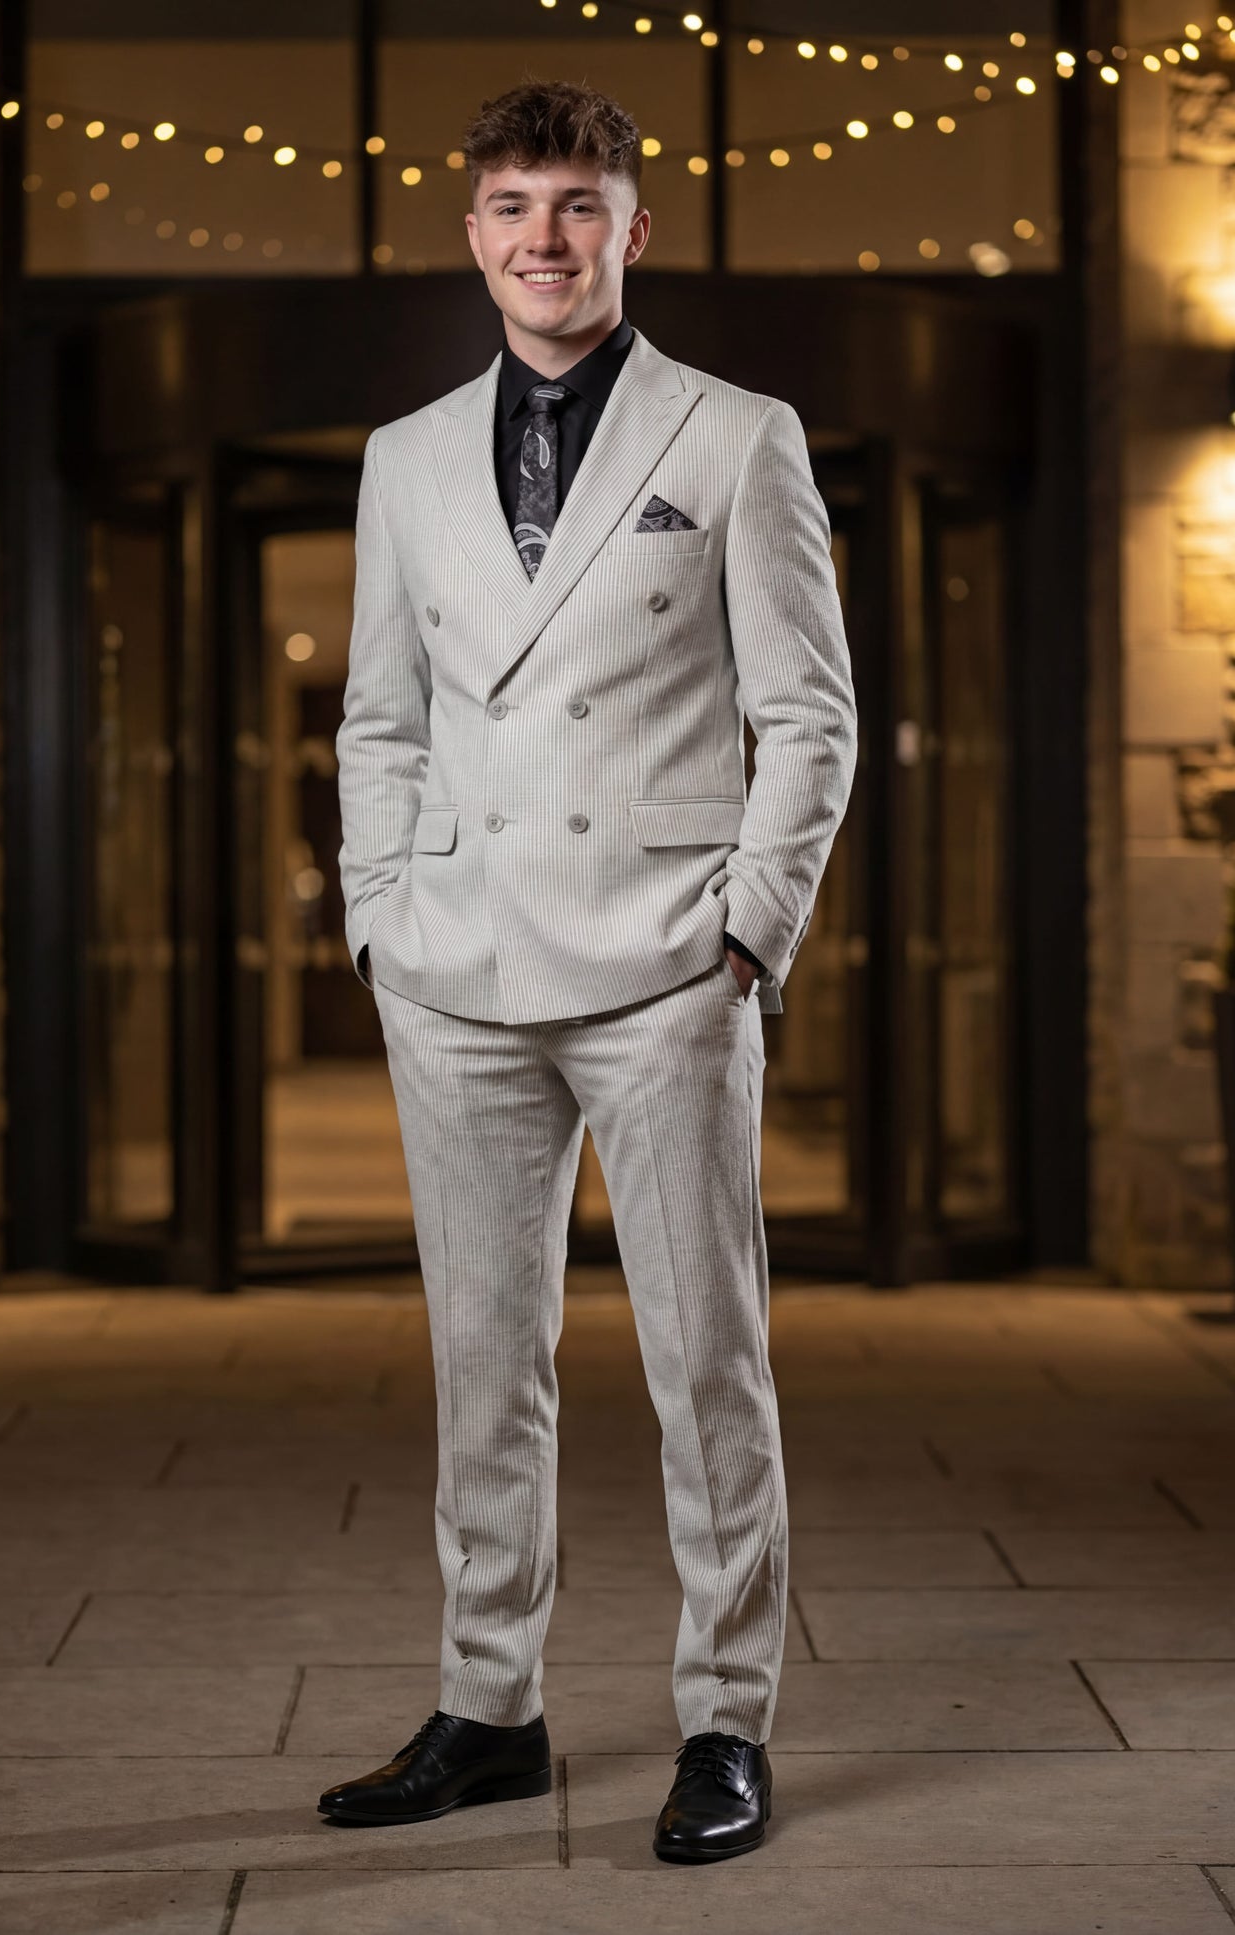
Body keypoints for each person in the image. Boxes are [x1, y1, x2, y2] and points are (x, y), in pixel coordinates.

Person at [321, 77, 856, 1864]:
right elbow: (377, 719)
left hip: (659, 972)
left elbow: (810, 717)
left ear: (632, 230)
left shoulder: (733, 435)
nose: (540, 238)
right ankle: (489, 1706)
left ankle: (725, 1720)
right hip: (454, 968)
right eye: (509, 206)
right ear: (470, 234)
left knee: (709, 1361)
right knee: (487, 1359)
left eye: (575, 205)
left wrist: (742, 936)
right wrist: (379, 918)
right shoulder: (402, 458)